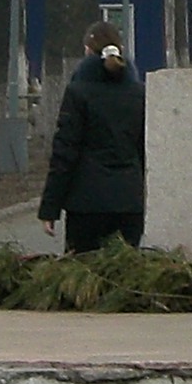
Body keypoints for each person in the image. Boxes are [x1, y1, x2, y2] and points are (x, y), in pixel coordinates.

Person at [39, 23, 146, 253]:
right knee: (126, 279)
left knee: (84, 277)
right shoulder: (139, 94)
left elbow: (65, 153)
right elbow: (145, 151)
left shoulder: (79, 92)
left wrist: (50, 209)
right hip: (129, 204)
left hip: (86, 206)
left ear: (88, 50)